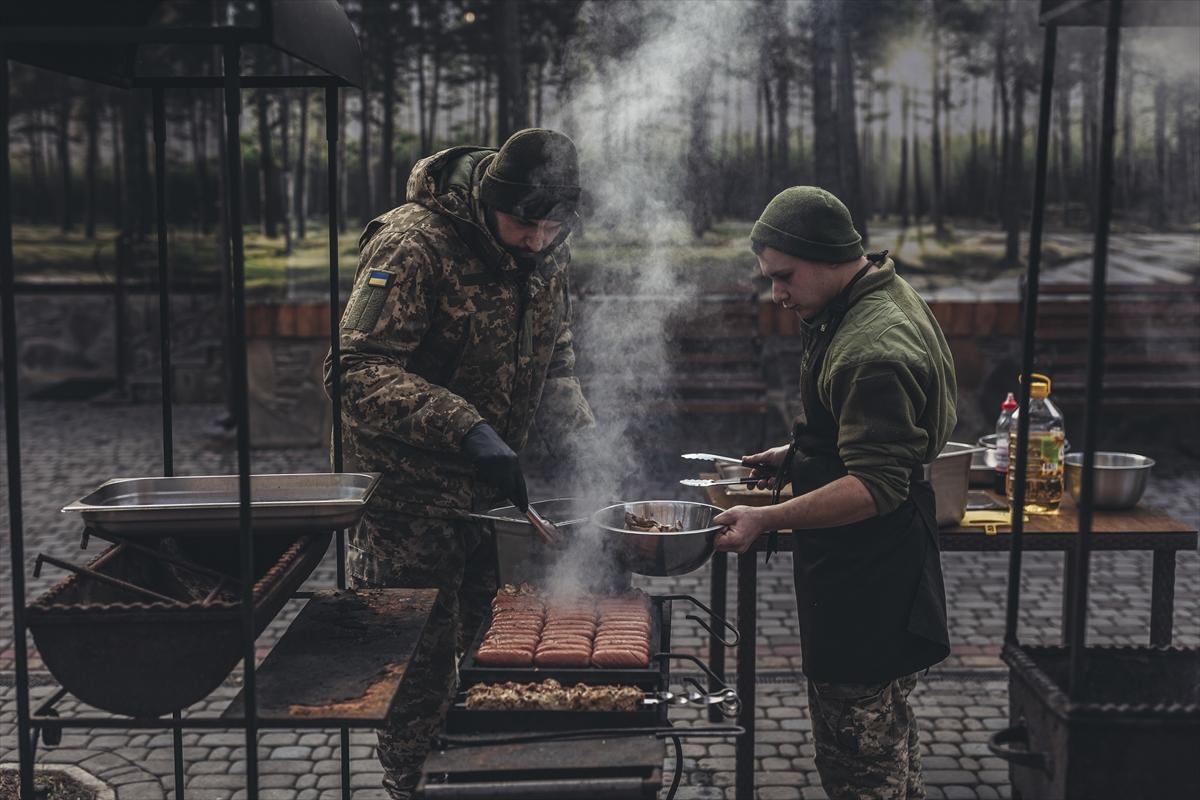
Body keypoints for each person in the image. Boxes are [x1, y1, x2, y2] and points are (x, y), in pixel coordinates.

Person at [325, 128, 595, 799]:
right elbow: (354, 371)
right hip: (408, 504)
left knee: (497, 656)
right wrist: (466, 426)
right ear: (488, 198)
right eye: (522, 224)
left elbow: (555, 357)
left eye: (551, 227)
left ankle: (490, 782)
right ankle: (411, 786)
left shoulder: (550, 250)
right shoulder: (414, 244)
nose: (534, 242)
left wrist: (588, 440)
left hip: (495, 500)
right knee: (417, 677)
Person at [714, 186, 956, 799]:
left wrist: (767, 520)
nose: (778, 294)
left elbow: (874, 486)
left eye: (784, 276)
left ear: (823, 255)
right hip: (866, 566)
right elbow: (860, 434)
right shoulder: (867, 293)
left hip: (869, 577)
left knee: (861, 767)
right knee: (891, 747)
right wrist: (795, 456)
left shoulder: (872, 347)